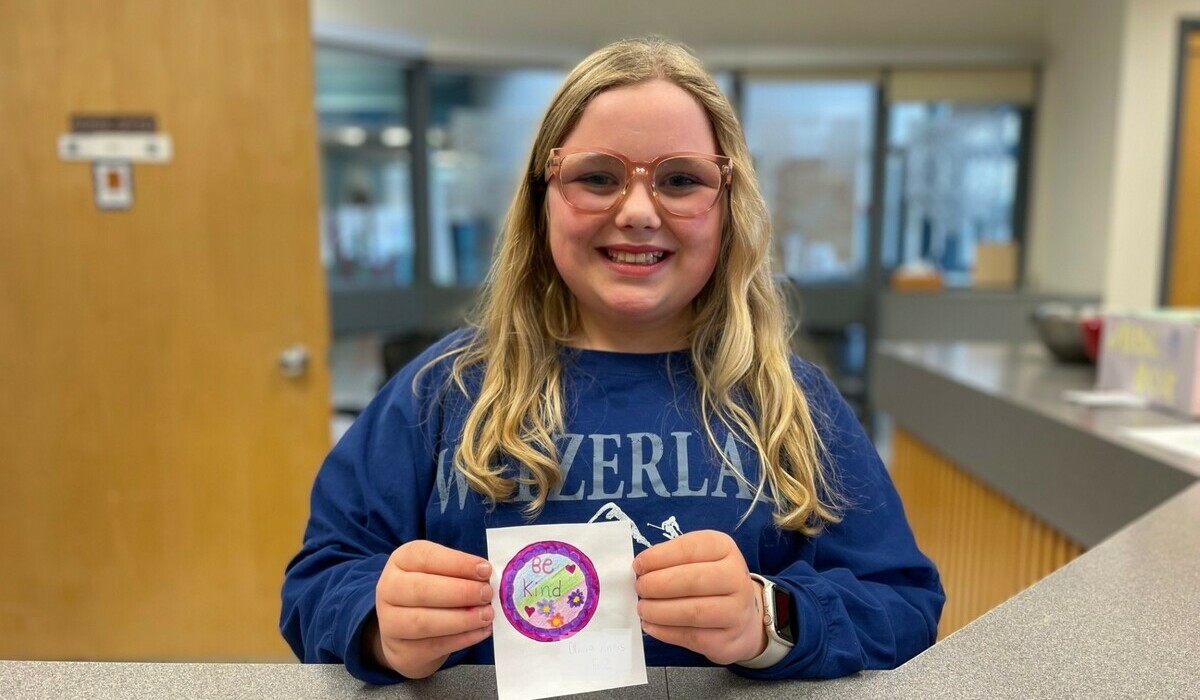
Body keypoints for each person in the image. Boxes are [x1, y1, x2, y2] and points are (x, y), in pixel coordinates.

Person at [281, 35, 944, 685]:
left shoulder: (792, 404)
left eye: (680, 180)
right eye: (596, 177)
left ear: (726, 207)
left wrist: (768, 617)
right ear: (541, 199)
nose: (636, 212)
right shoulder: (439, 393)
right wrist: (380, 622)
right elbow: (316, 583)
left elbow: (905, 604)